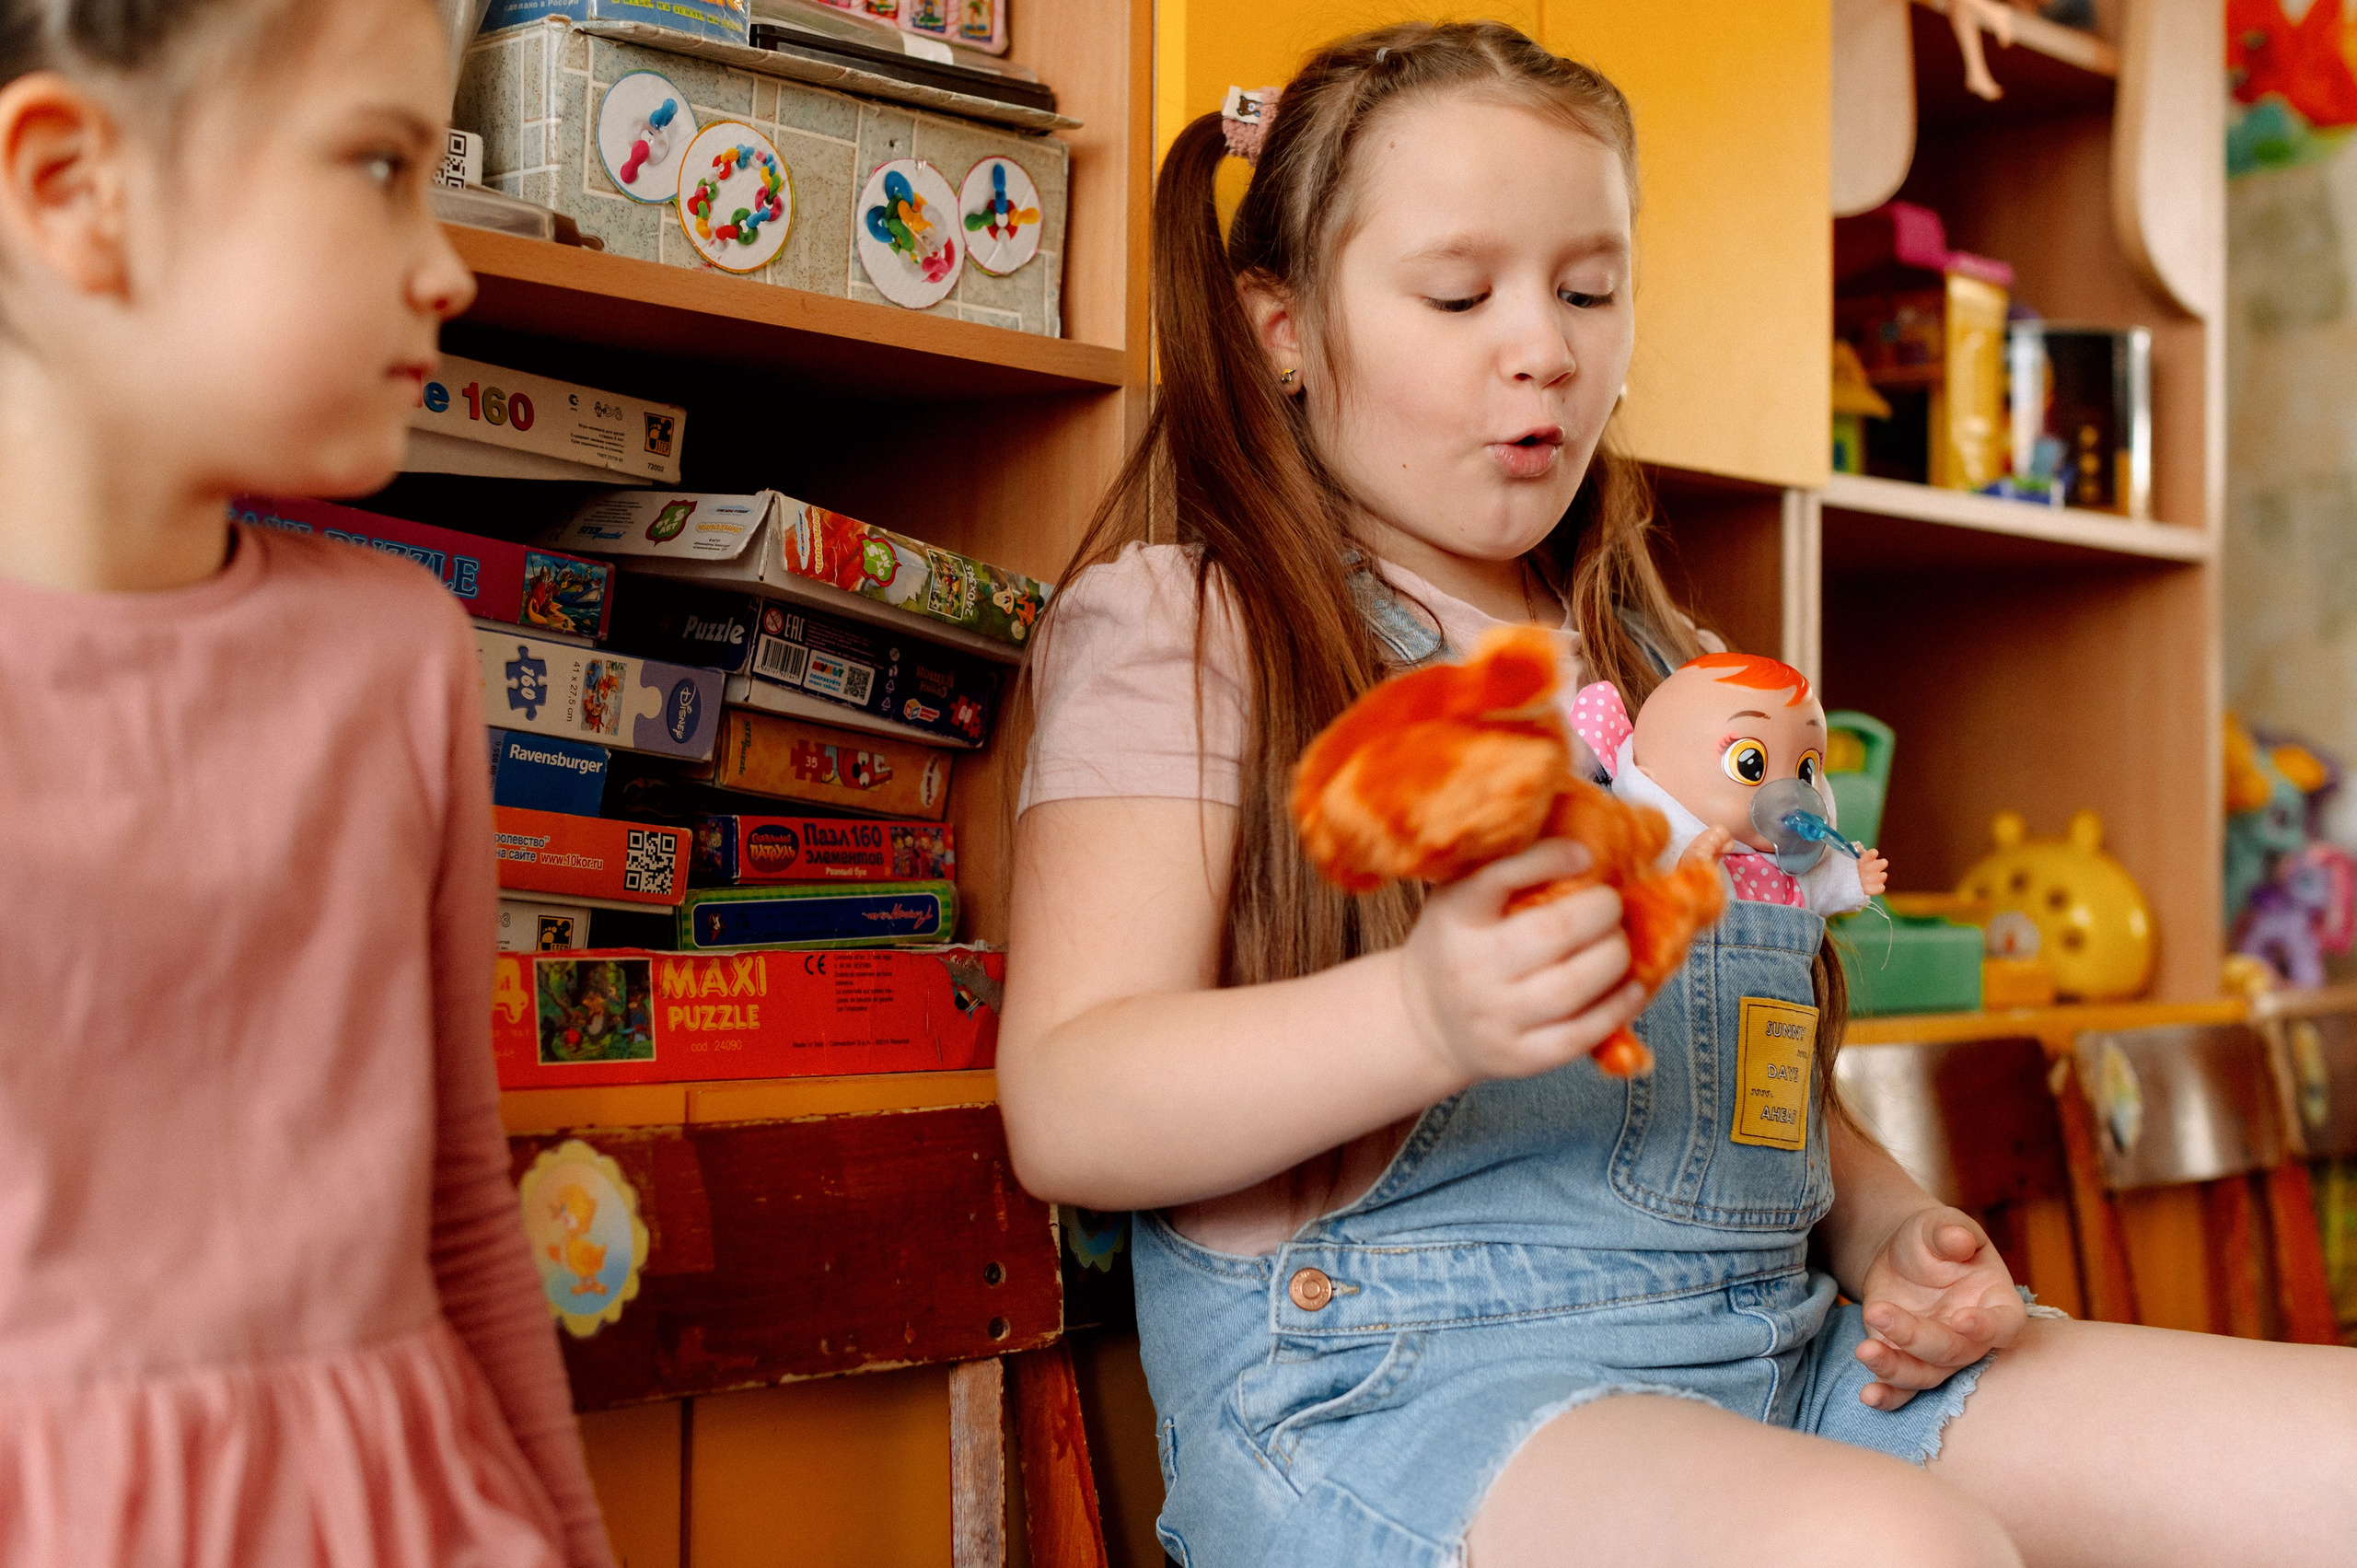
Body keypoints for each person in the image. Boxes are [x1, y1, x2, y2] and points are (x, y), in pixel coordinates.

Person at [997, 21, 2357, 1567]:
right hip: (1398, 1398)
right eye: (1460, 294)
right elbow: (1070, 1100)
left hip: (1780, 1352)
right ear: (1281, 329)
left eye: (1588, 289)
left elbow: (1747, 1064)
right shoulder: (1189, 624)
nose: (1546, 348)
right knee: (1889, 1553)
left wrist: (1888, 1232)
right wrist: (1423, 1018)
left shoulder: (1682, 675)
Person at [0, 3, 611, 1563]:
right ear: (75, 189)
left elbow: (464, 1219)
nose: (448, 268)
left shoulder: (401, 656)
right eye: (380, 164)